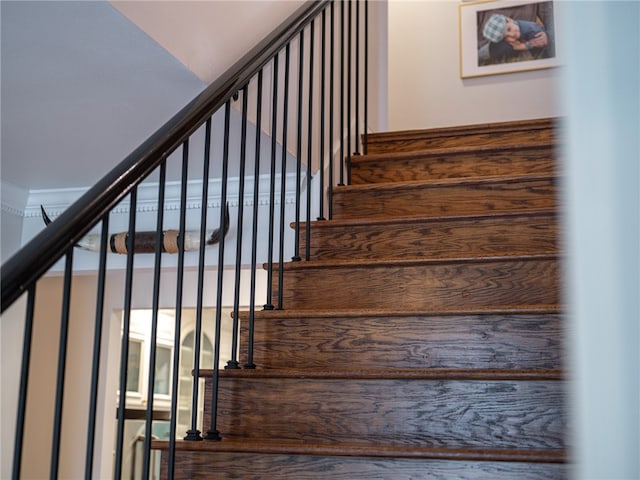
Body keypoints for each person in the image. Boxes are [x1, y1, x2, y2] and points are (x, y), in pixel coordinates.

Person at [481, 13, 549, 63]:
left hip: (539, 49)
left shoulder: (532, 30)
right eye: (506, 37)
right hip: (502, 48)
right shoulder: (509, 39)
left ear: (509, 20)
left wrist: (526, 46)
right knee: (501, 47)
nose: (512, 35)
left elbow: (543, 48)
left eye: (509, 29)